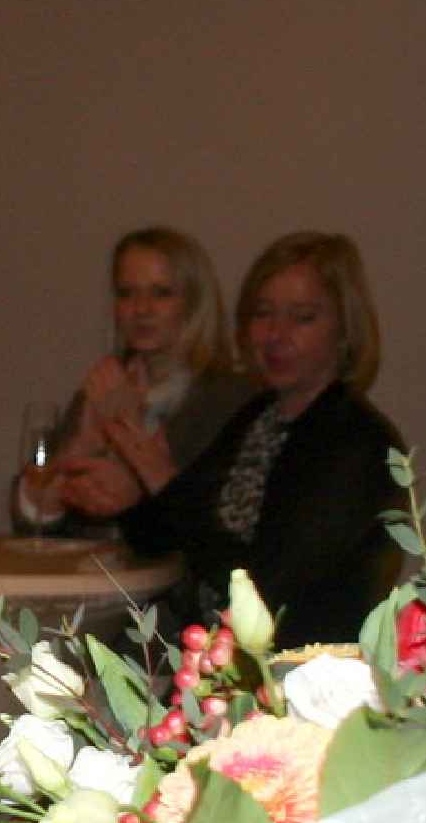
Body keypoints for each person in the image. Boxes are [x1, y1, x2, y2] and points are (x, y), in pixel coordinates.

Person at [57, 229, 401, 645]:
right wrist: (130, 503)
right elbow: (172, 536)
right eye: (262, 314)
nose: (276, 334)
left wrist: (164, 481)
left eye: (302, 317)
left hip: (301, 670)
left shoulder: (357, 443)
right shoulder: (260, 418)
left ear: (344, 330)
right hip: (217, 658)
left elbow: (265, 591)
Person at [14, 225, 256, 535]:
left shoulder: (229, 398)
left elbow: (211, 522)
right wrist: (82, 444)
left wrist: (129, 430)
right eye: (127, 293)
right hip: (92, 565)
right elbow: (31, 524)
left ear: (194, 303)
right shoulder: (107, 384)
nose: (141, 309)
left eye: (161, 293)